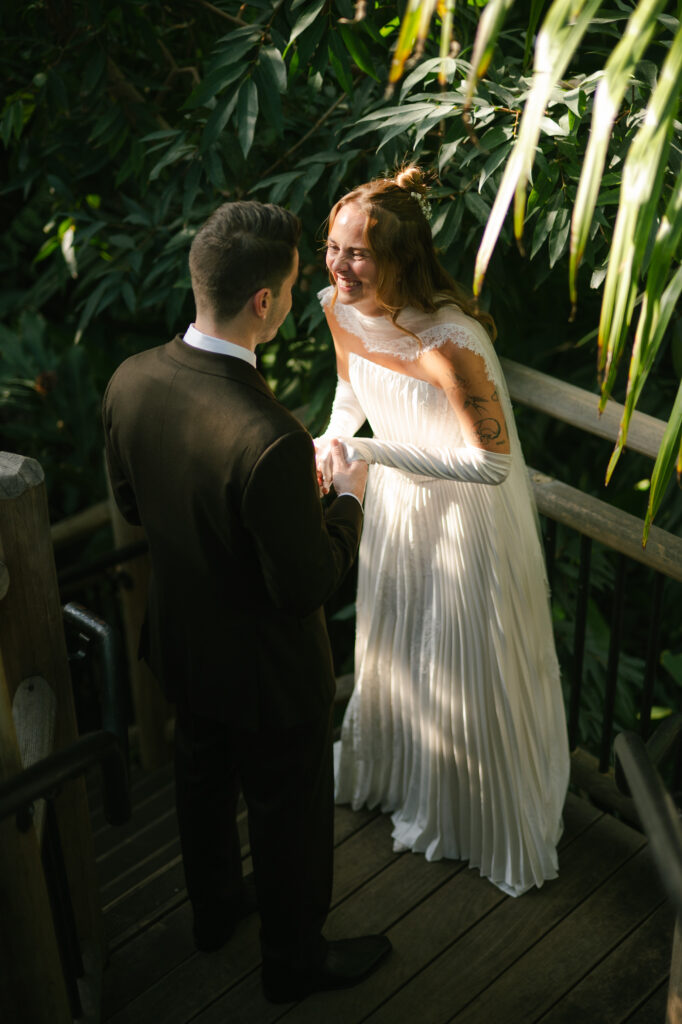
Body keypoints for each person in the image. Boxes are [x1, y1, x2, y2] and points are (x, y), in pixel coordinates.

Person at [102, 200, 391, 1002]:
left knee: (199, 784)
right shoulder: (268, 438)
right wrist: (344, 501)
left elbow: (131, 504)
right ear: (262, 302)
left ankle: (214, 914)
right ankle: (293, 961)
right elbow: (305, 584)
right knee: (286, 814)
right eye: (296, 286)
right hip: (268, 672)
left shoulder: (130, 381)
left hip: (185, 648)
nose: (298, 298)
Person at [315, 167, 570, 897]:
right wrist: (330, 441)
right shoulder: (337, 306)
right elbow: (348, 392)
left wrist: (368, 454)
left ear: (402, 259)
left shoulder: (451, 341)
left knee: (462, 662)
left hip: (467, 522)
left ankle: (482, 819)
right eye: (334, 248)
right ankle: (402, 781)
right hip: (400, 508)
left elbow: (491, 465)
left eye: (357, 254)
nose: (339, 266)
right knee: (401, 646)